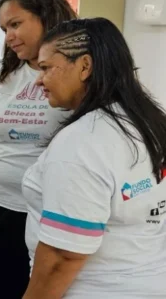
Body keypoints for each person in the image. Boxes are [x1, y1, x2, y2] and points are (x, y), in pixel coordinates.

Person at [22, 18, 166, 299]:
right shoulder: (149, 122)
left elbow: (63, 257)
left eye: (47, 68)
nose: (39, 80)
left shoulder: (81, 143)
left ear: (84, 66)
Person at [0, 0, 76, 299]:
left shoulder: (79, 77)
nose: (8, 36)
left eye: (15, 24)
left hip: (53, 212)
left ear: (47, 17)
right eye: (4, 28)